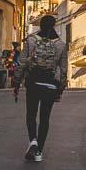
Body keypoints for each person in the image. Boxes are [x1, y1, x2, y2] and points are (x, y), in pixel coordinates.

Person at [16, 15, 67, 162]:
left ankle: (33, 140)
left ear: (40, 25)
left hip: (33, 82)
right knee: (45, 118)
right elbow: (63, 70)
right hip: (50, 84)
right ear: (54, 25)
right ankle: (39, 152)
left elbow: (22, 63)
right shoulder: (61, 45)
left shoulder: (31, 41)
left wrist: (17, 82)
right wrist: (60, 89)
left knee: (31, 114)